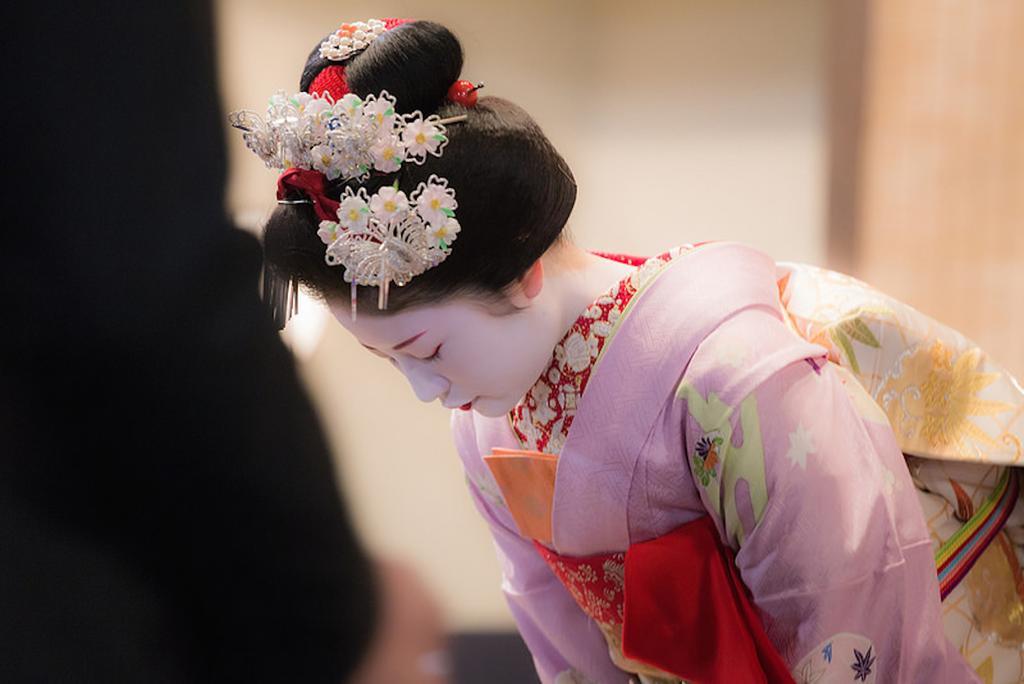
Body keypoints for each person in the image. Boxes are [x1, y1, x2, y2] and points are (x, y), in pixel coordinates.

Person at [231, 17, 1024, 683]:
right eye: (389, 361)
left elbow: (854, 611)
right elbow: (564, 647)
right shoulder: (487, 426)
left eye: (426, 348)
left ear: (521, 262)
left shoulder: (742, 380)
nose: (425, 389)